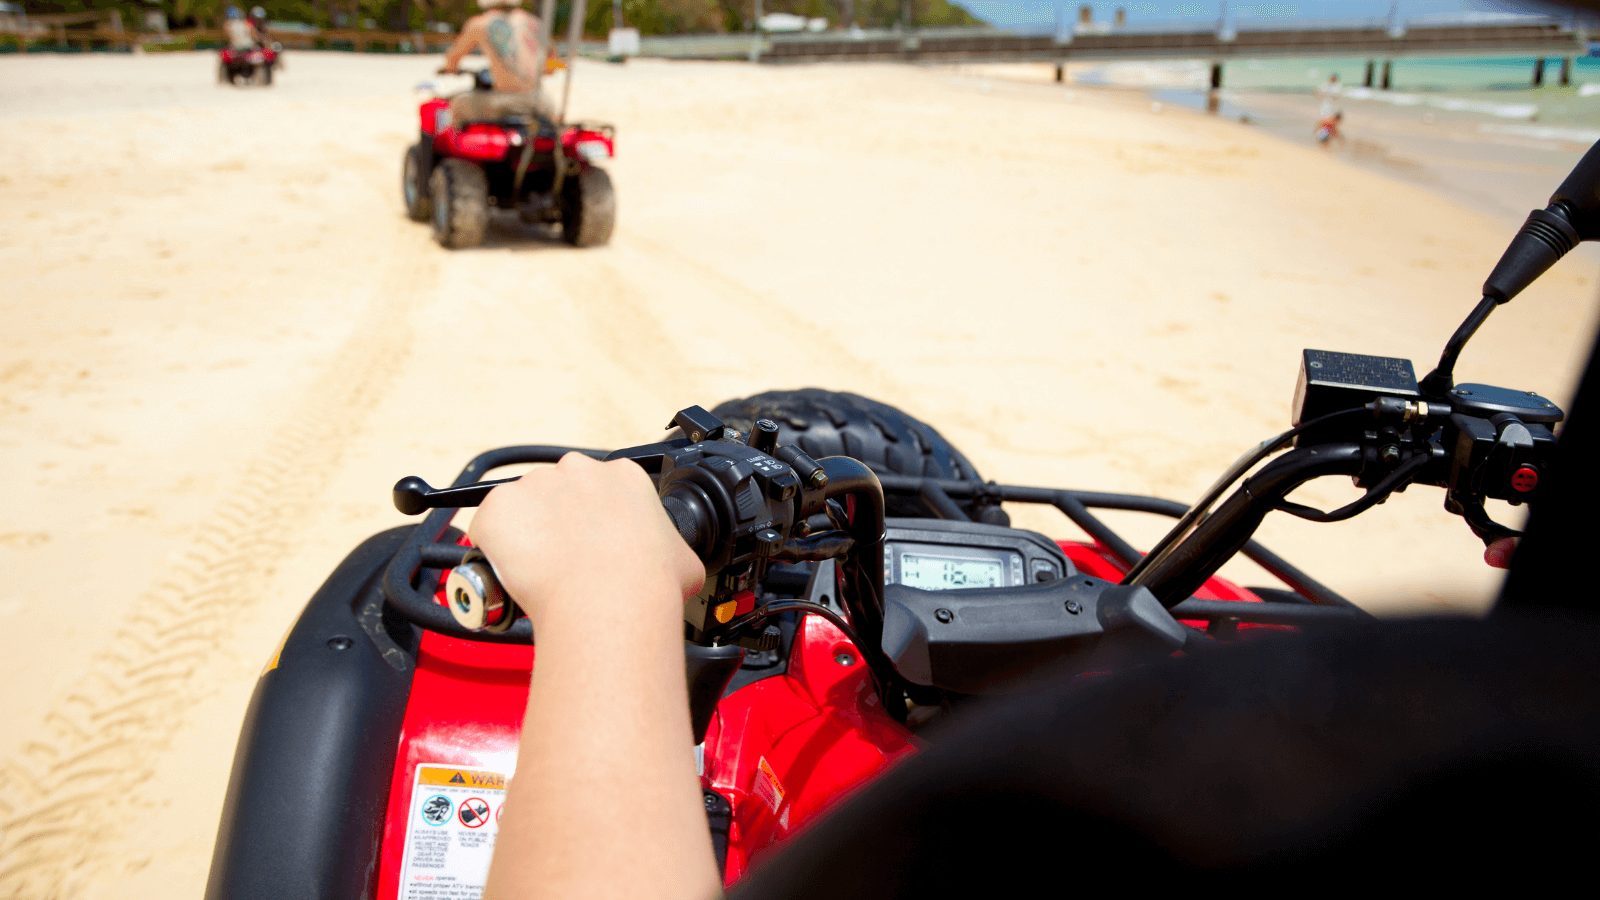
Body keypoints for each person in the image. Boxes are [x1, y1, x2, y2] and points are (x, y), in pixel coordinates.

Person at [438, 0, 554, 124]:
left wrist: (450, 68)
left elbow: (453, 58)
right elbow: (552, 63)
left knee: (458, 105)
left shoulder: (479, 24)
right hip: (540, 101)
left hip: (506, 102)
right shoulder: (534, 23)